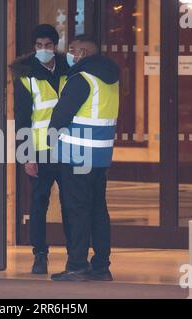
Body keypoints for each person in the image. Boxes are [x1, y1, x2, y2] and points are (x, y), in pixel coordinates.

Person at [48, 34, 120, 282]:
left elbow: (61, 115)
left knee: (76, 210)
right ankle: (101, 266)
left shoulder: (82, 79)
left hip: (76, 155)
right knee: (98, 210)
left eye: (73, 50)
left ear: (84, 53)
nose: (70, 54)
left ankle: (77, 265)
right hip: (99, 155)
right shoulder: (109, 80)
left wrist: (50, 138)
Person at [11, 24, 70, 274]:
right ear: (33, 47)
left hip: (69, 148)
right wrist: (26, 155)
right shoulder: (26, 76)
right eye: (38, 46)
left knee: (72, 203)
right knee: (38, 204)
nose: (43, 50)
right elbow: (23, 118)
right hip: (41, 150)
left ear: (55, 47)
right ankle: (40, 254)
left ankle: (75, 255)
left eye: (47, 45)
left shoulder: (70, 70)